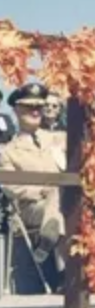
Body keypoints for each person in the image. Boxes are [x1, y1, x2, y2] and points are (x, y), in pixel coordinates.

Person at [0, 82, 66, 267]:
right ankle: (66, 275)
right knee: (56, 199)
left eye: (39, 106)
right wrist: (43, 190)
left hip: (63, 203)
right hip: (31, 208)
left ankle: (47, 243)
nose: (36, 111)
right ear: (16, 110)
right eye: (30, 107)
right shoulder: (8, 151)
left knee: (69, 207)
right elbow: (12, 188)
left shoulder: (59, 139)